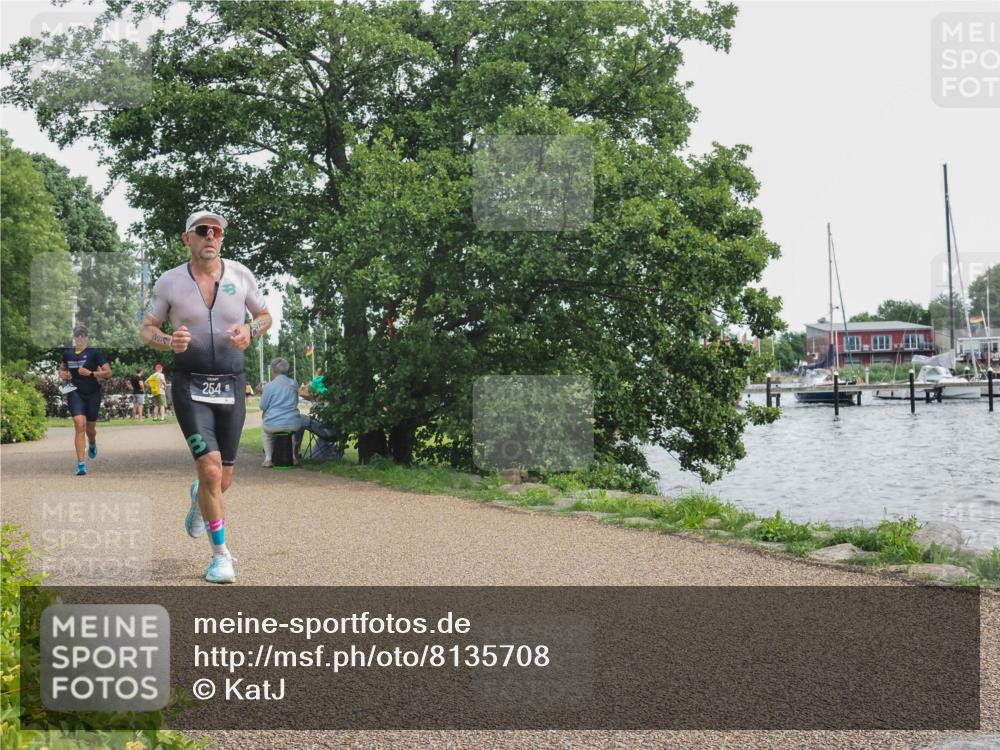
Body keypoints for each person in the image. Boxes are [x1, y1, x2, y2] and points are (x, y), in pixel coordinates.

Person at [140, 210, 271, 584]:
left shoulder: (241, 275)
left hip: (232, 382)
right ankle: (221, 557)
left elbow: (265, 316)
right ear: (187, 239)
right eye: (202, 230)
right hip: (190, 384)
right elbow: (147, 328)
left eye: (216, 231)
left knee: (221, 479)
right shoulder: (170, 282)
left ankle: (200, 496)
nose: (210, 236)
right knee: (211, 467)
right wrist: (169, 340)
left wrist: (252, 330)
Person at [260, 358, 337, 467]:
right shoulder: (294, 383)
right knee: (290, 433)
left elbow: (262, 406)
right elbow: (295, 402)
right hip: (293, 423)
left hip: (273, 424)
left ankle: (268, 459)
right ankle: (293, 457)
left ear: (273, 371)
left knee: (267, 433)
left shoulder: (269, 386)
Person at [59, 325, 112, 475]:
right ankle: (81, 463)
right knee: (79, 424)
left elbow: (108, 373)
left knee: (90, 429)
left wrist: (91, 373)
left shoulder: (94, 352)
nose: (80, 338)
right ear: (74, 338)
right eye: (77, 335)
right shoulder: (68, 353)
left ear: (87, 337)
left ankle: (93, 443)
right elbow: (63, 369)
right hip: (75, 392)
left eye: (83, 335)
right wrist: (62, 374)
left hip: (92, 393)